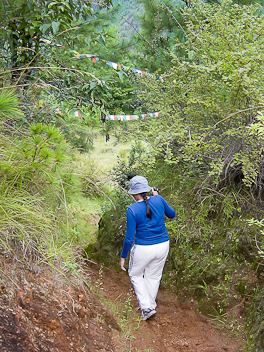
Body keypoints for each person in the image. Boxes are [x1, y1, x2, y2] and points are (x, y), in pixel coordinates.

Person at [119, 175, 175, 321]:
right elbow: (172, 214)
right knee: (153, 276)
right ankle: (150, 306)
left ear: (133, 193)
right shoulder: (159, 199)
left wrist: (123, 256)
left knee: (135, 274)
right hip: (163, 245)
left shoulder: (132, 209)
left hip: (144, 247)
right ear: (147, 189)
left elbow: (129, 237)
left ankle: (146, 308)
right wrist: (158, 196)